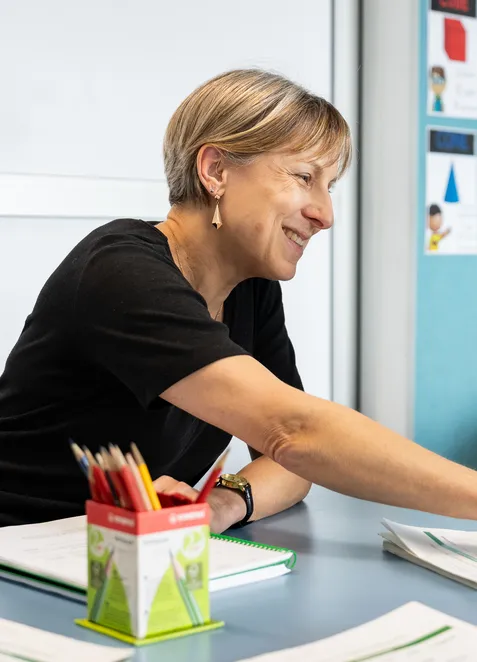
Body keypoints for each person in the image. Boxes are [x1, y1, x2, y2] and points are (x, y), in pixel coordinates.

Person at [2, 69, 477, 533]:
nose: (325, 214)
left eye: (328, 187)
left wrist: (221, 505)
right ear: (216, 171)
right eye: (304, 176)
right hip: (23, 548)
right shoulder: (120, 271)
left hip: (128, 557)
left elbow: (289, 461)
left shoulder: (250, 287)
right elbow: (296, 433)